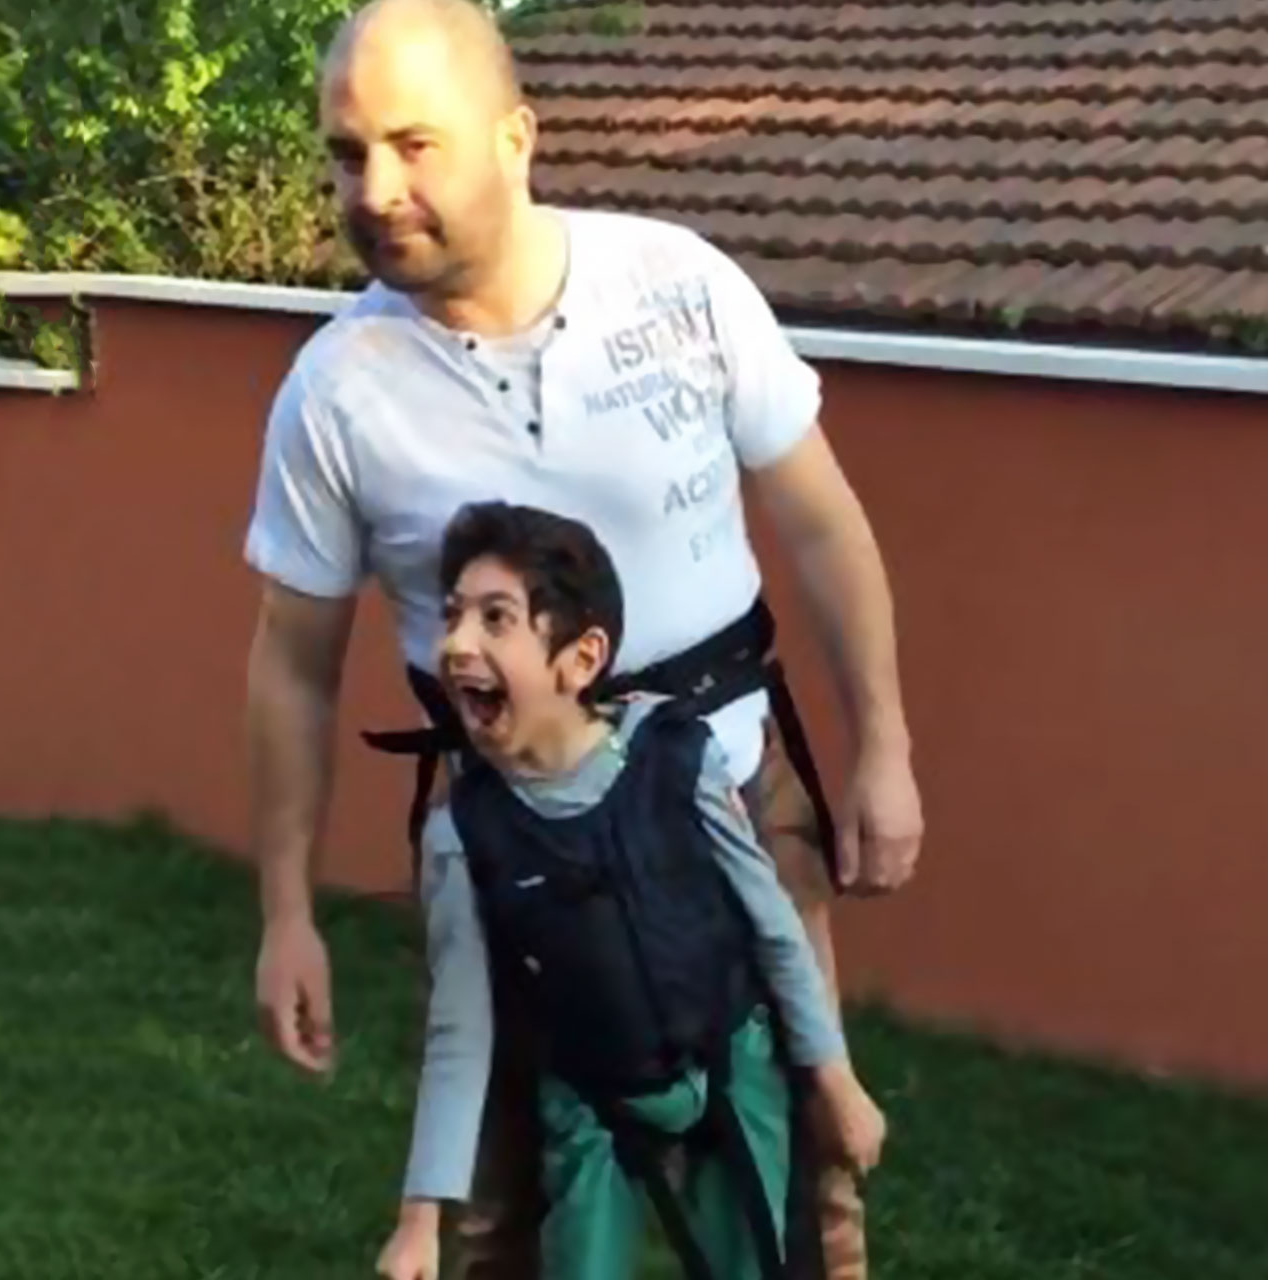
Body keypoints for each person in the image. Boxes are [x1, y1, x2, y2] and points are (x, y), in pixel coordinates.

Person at [243, 1, 924, 1276]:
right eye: (346, 153)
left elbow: (825, 527)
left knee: (804, 1183)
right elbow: (290, 665)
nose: (374, 188)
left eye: (412, 144)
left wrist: (880, 743)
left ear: (514, 137)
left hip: (731, 788)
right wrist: (286, 911)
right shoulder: (335, 391)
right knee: (505, 1200)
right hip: (508, 834)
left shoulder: (675, 284)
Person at [375, 501, 887, 1280]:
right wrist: (420, 1220)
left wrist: (834, 1077)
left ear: (580, 660)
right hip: (589, 1102)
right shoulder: (462, 836)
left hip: (729, 1062)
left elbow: (774, 927)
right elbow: (460, 1032)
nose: (457, 644)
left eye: (495, 618)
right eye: (452, 616)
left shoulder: (679, 760)